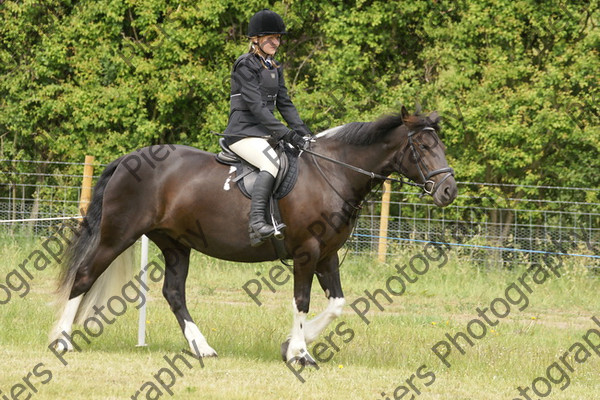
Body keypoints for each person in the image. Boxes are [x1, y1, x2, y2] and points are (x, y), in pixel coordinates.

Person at [224, 8, 311, 246]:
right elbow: (257, 108)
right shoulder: (245, 65)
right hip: (242, 133)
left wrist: (304, 134)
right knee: (270, 162)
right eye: (270, 38)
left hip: (263, 134)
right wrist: (286, 134)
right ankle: (257, 223)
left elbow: (284, 103)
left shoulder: (273, 66)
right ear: (255, 40)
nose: (276, 42)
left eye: (278, 37)